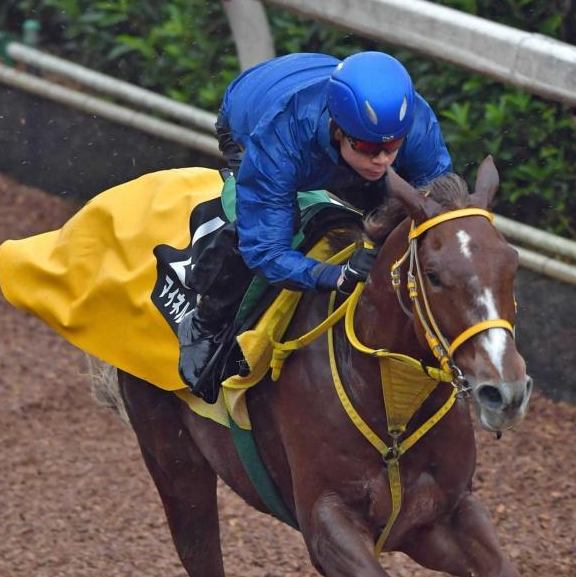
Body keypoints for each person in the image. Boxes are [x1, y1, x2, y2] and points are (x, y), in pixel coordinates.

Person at [179, 50, 453, 395]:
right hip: (250, 114)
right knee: (274, 225)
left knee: (394, 212)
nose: (382, 159)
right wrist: (334, 275)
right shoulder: (280, 138)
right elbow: (266, 250)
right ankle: (205, 323)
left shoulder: (417, 126)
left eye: (393, 146)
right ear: (338, 130)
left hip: (313, 86)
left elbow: (440, 214)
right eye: (369, 147)